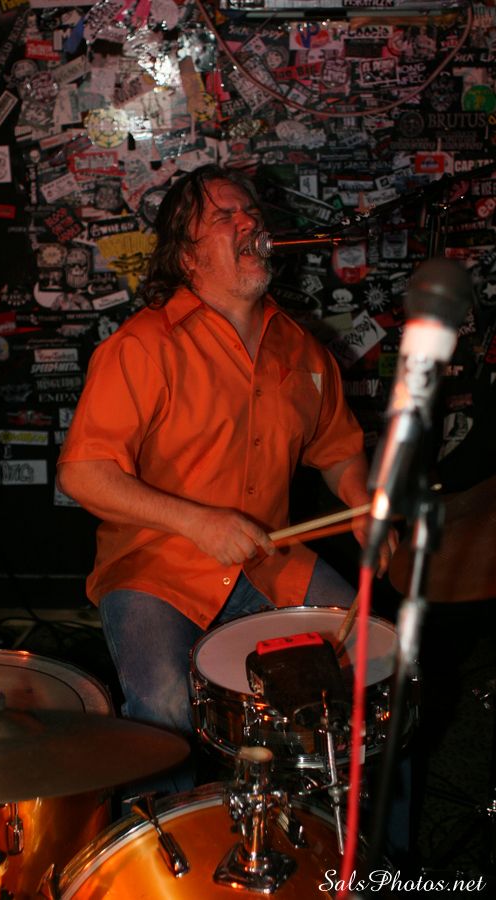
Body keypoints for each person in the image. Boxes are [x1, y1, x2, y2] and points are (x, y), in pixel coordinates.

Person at [57, 164, 396, 777]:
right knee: (164, 710)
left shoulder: (303, 349)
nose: (247, 223)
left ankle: (348, 832)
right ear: (188, 256)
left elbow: (338, 449)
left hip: (269, 559)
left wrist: (361, 502)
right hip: (156, 565)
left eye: (251, 214)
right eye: (224, 216)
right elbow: (84, 474)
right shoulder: (142, 346)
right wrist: (198, 522)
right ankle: (166, 833)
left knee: (375, 665)